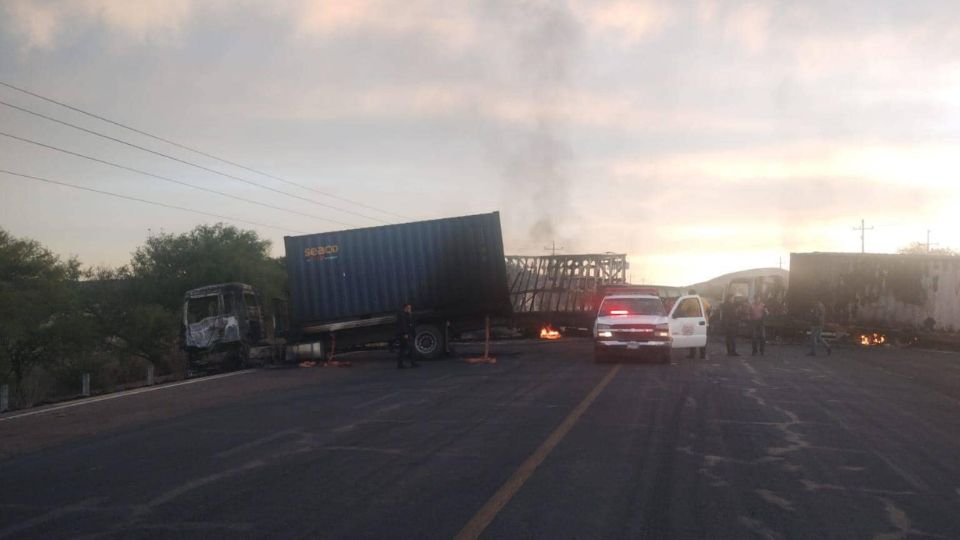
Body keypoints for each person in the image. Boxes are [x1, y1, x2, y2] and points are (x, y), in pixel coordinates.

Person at [396, 303, 419, 368]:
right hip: (405, 334)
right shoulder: (402, 315)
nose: (410, 309)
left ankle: (401, 364)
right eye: (409, 308)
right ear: (405, 308)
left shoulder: (406, 314)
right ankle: (412, 363)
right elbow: (403, 325)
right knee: (410, 348)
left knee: (403, 349)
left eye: (410, 308)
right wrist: (405, 334)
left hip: (407, 334)